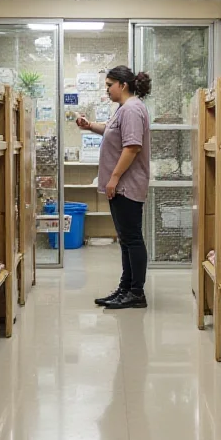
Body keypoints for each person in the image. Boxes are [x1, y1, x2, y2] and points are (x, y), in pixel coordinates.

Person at [76, 65, 151, 310]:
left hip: (127, 186)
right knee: (126, 240)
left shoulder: (131, 109)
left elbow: (132, 147)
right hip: (121, 187)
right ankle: (126, 288)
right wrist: (89, 126)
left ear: (123, 85)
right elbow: (112, 132)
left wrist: (114, 178)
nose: (107, 90)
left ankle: (136, 293)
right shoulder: (124, 109)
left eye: (109, 85)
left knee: (132, 239)